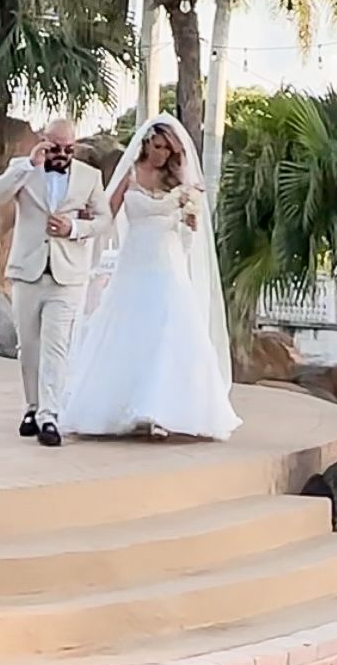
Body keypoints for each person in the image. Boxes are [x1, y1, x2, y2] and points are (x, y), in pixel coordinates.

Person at [60, 113, 240, 441]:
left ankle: (162, 411)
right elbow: (105, 215)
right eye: (157, 147)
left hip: (168, 263)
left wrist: (190, 210)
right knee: (127, 330)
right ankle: (121, 406)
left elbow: (192, 229)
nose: (161, 155)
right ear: (146, 145)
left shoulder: (181, 184)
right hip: (134, 263)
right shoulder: (129, 176)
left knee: (169, 332)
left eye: (168, 150)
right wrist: (78, 230)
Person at [0, 117, 110, 447]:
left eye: (68, 149)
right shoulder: (23, 168)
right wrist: (29, 165)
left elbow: (104, 219)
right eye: (56, 147)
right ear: (44, 141)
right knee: (29, 346)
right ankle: (32, 407)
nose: (62, 154)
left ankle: (50, 415)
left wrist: (74, 229)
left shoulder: (89, 177)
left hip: (67, 274)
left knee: (57, 346)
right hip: (27, 271)